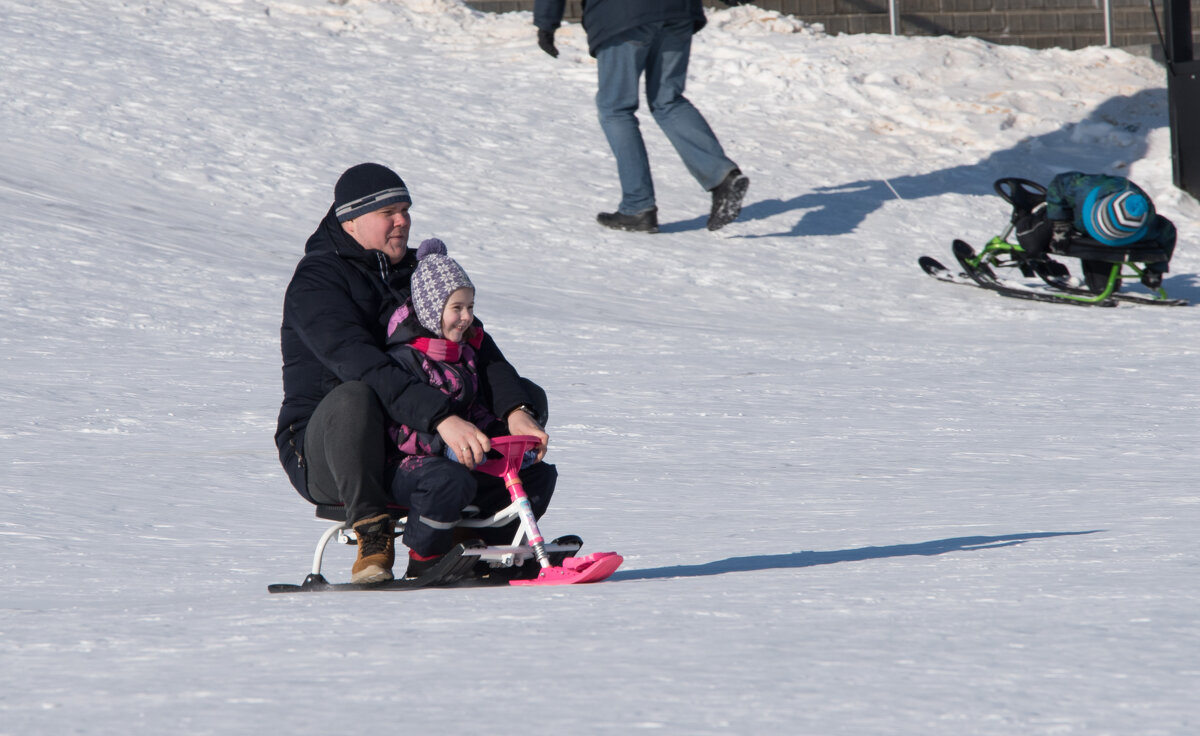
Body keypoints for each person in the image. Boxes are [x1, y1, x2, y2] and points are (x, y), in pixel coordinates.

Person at [275, 163, 548, 584]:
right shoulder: (318, 282)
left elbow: (477, 345)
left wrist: (517, 408)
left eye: (405, 209)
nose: (402, 220)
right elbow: (365, 366)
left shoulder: (415, 272)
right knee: (355, 396)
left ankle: (474, 534)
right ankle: (373, 532)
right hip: (329, 449)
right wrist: (442, 417)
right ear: (350, 220)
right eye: (389, 212)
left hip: (406, 435)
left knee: (525, 394)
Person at [382, 238, 556, 578]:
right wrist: (441, 446)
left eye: (471, 307)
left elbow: (476, 412)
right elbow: (394, 427)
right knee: (448, 479)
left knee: (537, 475)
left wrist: (505, 438)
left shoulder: (466, 358)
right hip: (408, 464)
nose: (467, 318)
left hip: (463, 456)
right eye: (457, 308)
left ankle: (496, 546)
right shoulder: (403, 362)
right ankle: (424, 555)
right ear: (432, 310)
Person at [534, 0, 749, 233]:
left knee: (616, 109)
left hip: (622, 14)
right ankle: (722, 177)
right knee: (669, 101)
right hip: (679, 12)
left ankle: (638, 207)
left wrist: (546, 23)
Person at [1015, 171, 1176, 292]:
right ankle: (1022, 215)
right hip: (1070, 215)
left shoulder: (1147, 222)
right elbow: (1059, 183)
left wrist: (1155, 270)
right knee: (1030, 240)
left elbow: (1168, 235)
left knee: (1103, 288)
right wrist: (1060, 224)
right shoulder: (1083, 188)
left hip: (1097, 239)